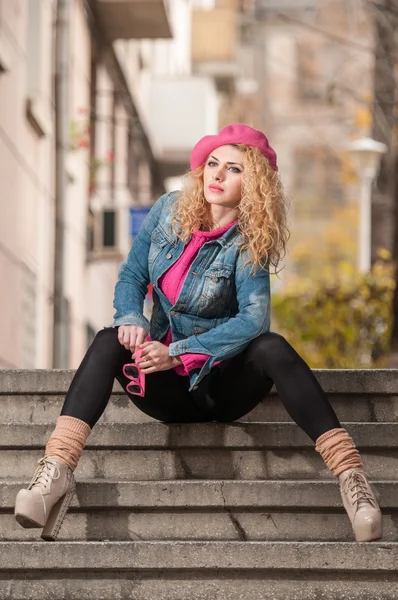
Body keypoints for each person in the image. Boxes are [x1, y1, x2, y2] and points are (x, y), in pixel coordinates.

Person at [14, 124, 382, 542]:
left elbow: (252, 320)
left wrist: (180, 352)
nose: (217, 175)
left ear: (255, 183)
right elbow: (132, 275)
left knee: (272, 347)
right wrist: (131, 317)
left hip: (220, 388)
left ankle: (353, 480)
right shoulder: (169, 210)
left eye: (233, 168)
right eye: (212, 164)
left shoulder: (248, 241)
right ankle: (55, 472)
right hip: (166, 390)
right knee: (106, 339)